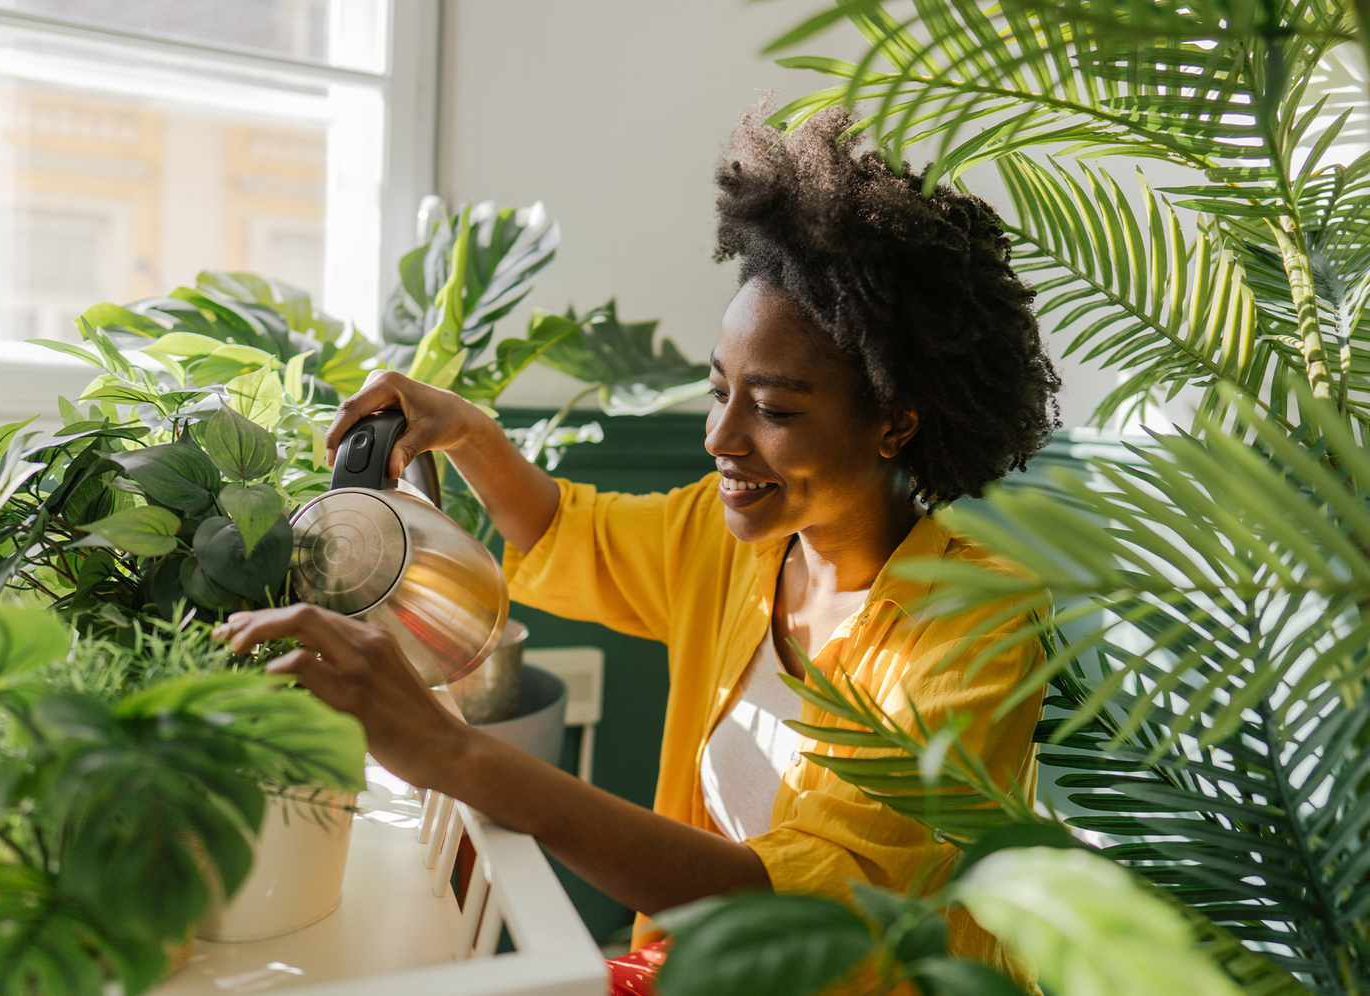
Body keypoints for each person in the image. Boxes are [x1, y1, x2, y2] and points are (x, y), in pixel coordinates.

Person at [213, 106, 1062, 992]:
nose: (719, 438)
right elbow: (568, 532)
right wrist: (466, 429)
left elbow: (804, 920)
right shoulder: (739, 542)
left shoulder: (976, 623)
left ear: (895, 422)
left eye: (773, 410)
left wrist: (453, 753)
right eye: (718, 391)